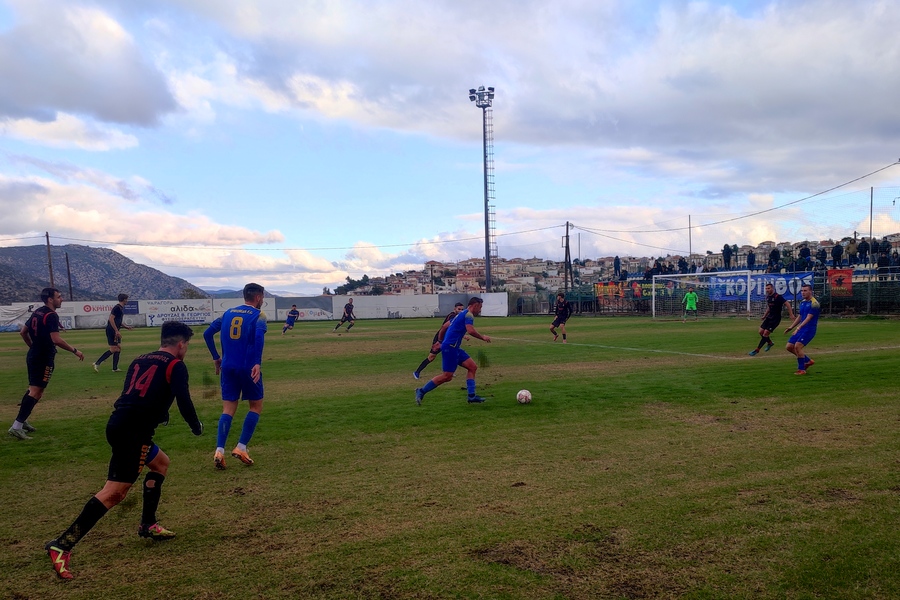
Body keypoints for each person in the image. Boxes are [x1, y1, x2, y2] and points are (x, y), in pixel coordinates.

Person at [45, 321, 203, 580]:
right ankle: (63, 544)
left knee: (161, 463)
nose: (186, 350)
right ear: (181, 344)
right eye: (187, 346)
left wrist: (158, 413)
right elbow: (184, 401)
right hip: (134, 433)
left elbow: (137, 394)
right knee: (115, 493)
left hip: (118, 423)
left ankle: (148, 524)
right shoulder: (176, 365)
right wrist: (196, 426)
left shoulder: (140, 360)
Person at [203, 283, 267, 469]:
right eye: (262, 297)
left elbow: (207, 334)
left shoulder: (228, 313)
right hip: (247, 367)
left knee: (228, 409)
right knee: (255, 406)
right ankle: (241, 447)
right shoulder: (259, 315)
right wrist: (256, 362)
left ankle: (219, 451)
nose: (262, 301)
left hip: (227, 367)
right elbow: (258, 338)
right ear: (257, 297)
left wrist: (216, 358)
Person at [8, 288, 84, 440]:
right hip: (43, 357)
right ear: (50, 299)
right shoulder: (51, 315)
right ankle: (16, 426)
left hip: (35, 354)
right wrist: (74, 350)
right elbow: (56, 339)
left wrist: (32, 346)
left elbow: (23, 332)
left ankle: (21, 421)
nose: (61, 299)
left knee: (34, 390)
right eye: (59, 297)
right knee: (36, 391)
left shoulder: (38, 312)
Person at [415, 297, 491, 405]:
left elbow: (444, 327)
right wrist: (483, 337)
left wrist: (440, 341)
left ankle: (471, 396)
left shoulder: (460, 315)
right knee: (447, 376)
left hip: (453, 347)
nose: (480, 310)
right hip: (450, 347)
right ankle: (421, 391)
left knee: (472, 367)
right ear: (475, 305)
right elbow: (470, 331)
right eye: (480, 307)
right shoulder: (468, 315)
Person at [413, 302, 466, 380]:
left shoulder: (457, 317)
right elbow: (445, 328)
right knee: (431, 357)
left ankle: (450, 371)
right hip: (439, 339)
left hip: (447, 340)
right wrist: (439, 341)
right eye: (459, 309)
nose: (461, 311)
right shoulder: (452, 316)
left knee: (452, 354)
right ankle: (417, 372)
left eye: (462, 309)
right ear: (454, 309)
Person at [749, 283, 795, 355]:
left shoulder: (778, 296)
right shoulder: (768, 297)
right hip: (769, 317)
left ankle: (757, 349)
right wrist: (764, 315)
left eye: (769, 288)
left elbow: (787, 304)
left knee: (765, 333)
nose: (767, 290)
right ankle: (770, 343)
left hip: (775, 319)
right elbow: (769, 308)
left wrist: (791, 314)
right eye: (766, 288)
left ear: (772, 288)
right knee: (761, 331)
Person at [784, 283, 821, 375]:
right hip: (801, 329)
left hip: (809, 329)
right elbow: (800, 316)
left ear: (810, 291)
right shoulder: (803, 302)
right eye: (802, 290)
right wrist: (791, 326)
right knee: (789, 347)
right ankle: (808, 361)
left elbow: (808, 318)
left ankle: (801, 369)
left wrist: (798, 328)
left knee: (797, 346)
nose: (803, 292)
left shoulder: (814, 304)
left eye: (805, 290)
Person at [92, 293, 133, 372]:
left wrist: (126, 327)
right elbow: (111, 319)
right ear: (124, 299)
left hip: (114, 330)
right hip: (111, 330)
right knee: (114, 349)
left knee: (118, 349)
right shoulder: (117, 308)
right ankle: (97, 363)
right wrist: (116, 331)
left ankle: (115, 368)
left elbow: (118, 321)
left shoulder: (120, 308)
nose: (127, 301)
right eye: (127, 299)